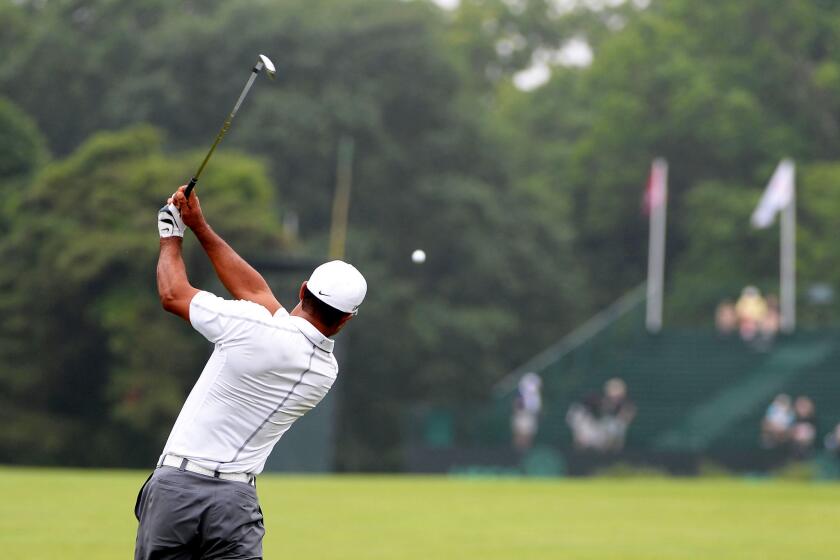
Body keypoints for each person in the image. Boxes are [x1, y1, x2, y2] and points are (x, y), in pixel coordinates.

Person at [135, 186, 367, 559]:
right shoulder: (324, 371)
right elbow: (255, 290)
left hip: (176, 489)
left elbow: (173, 295)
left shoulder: (252, 325)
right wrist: (200, 226)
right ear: (345, 321)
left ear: (302, 289)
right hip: (235, 504)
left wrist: (171, 235)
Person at [511, 372, 543, 451]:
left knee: (527, 435)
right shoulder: (523, 394)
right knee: (521, 434)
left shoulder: (535, 396)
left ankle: (525, 451)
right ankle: (517, 451)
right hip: (523, 415)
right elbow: (518, 405)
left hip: (530, 415)